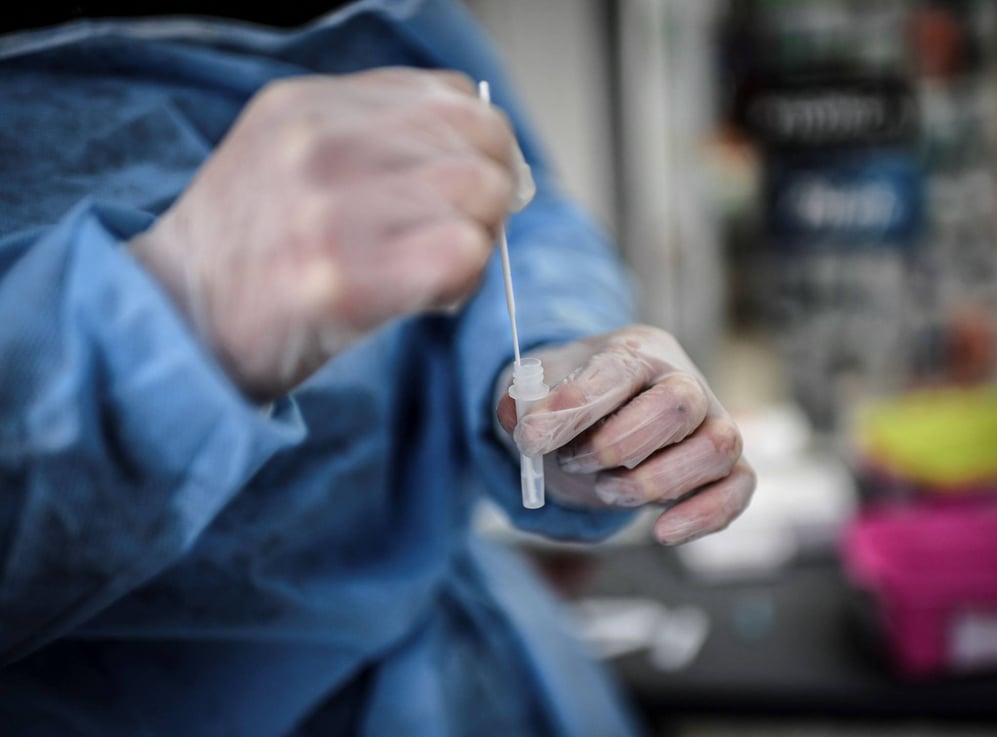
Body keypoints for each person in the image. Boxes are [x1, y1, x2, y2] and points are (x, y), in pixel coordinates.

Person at [0, 1, 756, 734]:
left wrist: (555, 355)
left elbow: (521, 210)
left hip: (456, 648)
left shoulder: (408, 23)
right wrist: (164, 319)